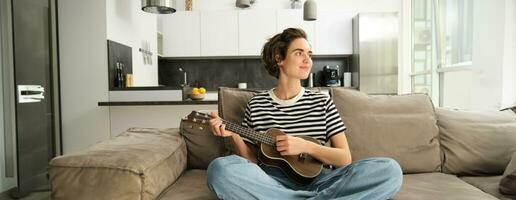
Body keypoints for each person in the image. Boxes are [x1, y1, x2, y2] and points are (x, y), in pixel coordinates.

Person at [207, 28, 403, 200]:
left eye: (309, 54)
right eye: (299, 53)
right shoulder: (257, 104)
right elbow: (251, 160)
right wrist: (233, 135)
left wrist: (305, 146)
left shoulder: (322, 101)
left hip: (322, 182)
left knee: (390, 170)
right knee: (220, 169)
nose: (307, 60)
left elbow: (344, 158)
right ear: (279, 58)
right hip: (271, 183)